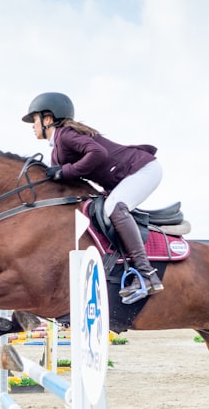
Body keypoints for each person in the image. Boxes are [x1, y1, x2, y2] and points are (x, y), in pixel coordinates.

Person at [22, 92, 164, 304]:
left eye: (34, 120)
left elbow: (98, 153)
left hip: (143, 170)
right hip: (130, 175)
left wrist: (65, 171)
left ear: (48, 119)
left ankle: (147, 275)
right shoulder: (57, 149)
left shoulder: (65, 134)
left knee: (114, 208)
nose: (32, 126)